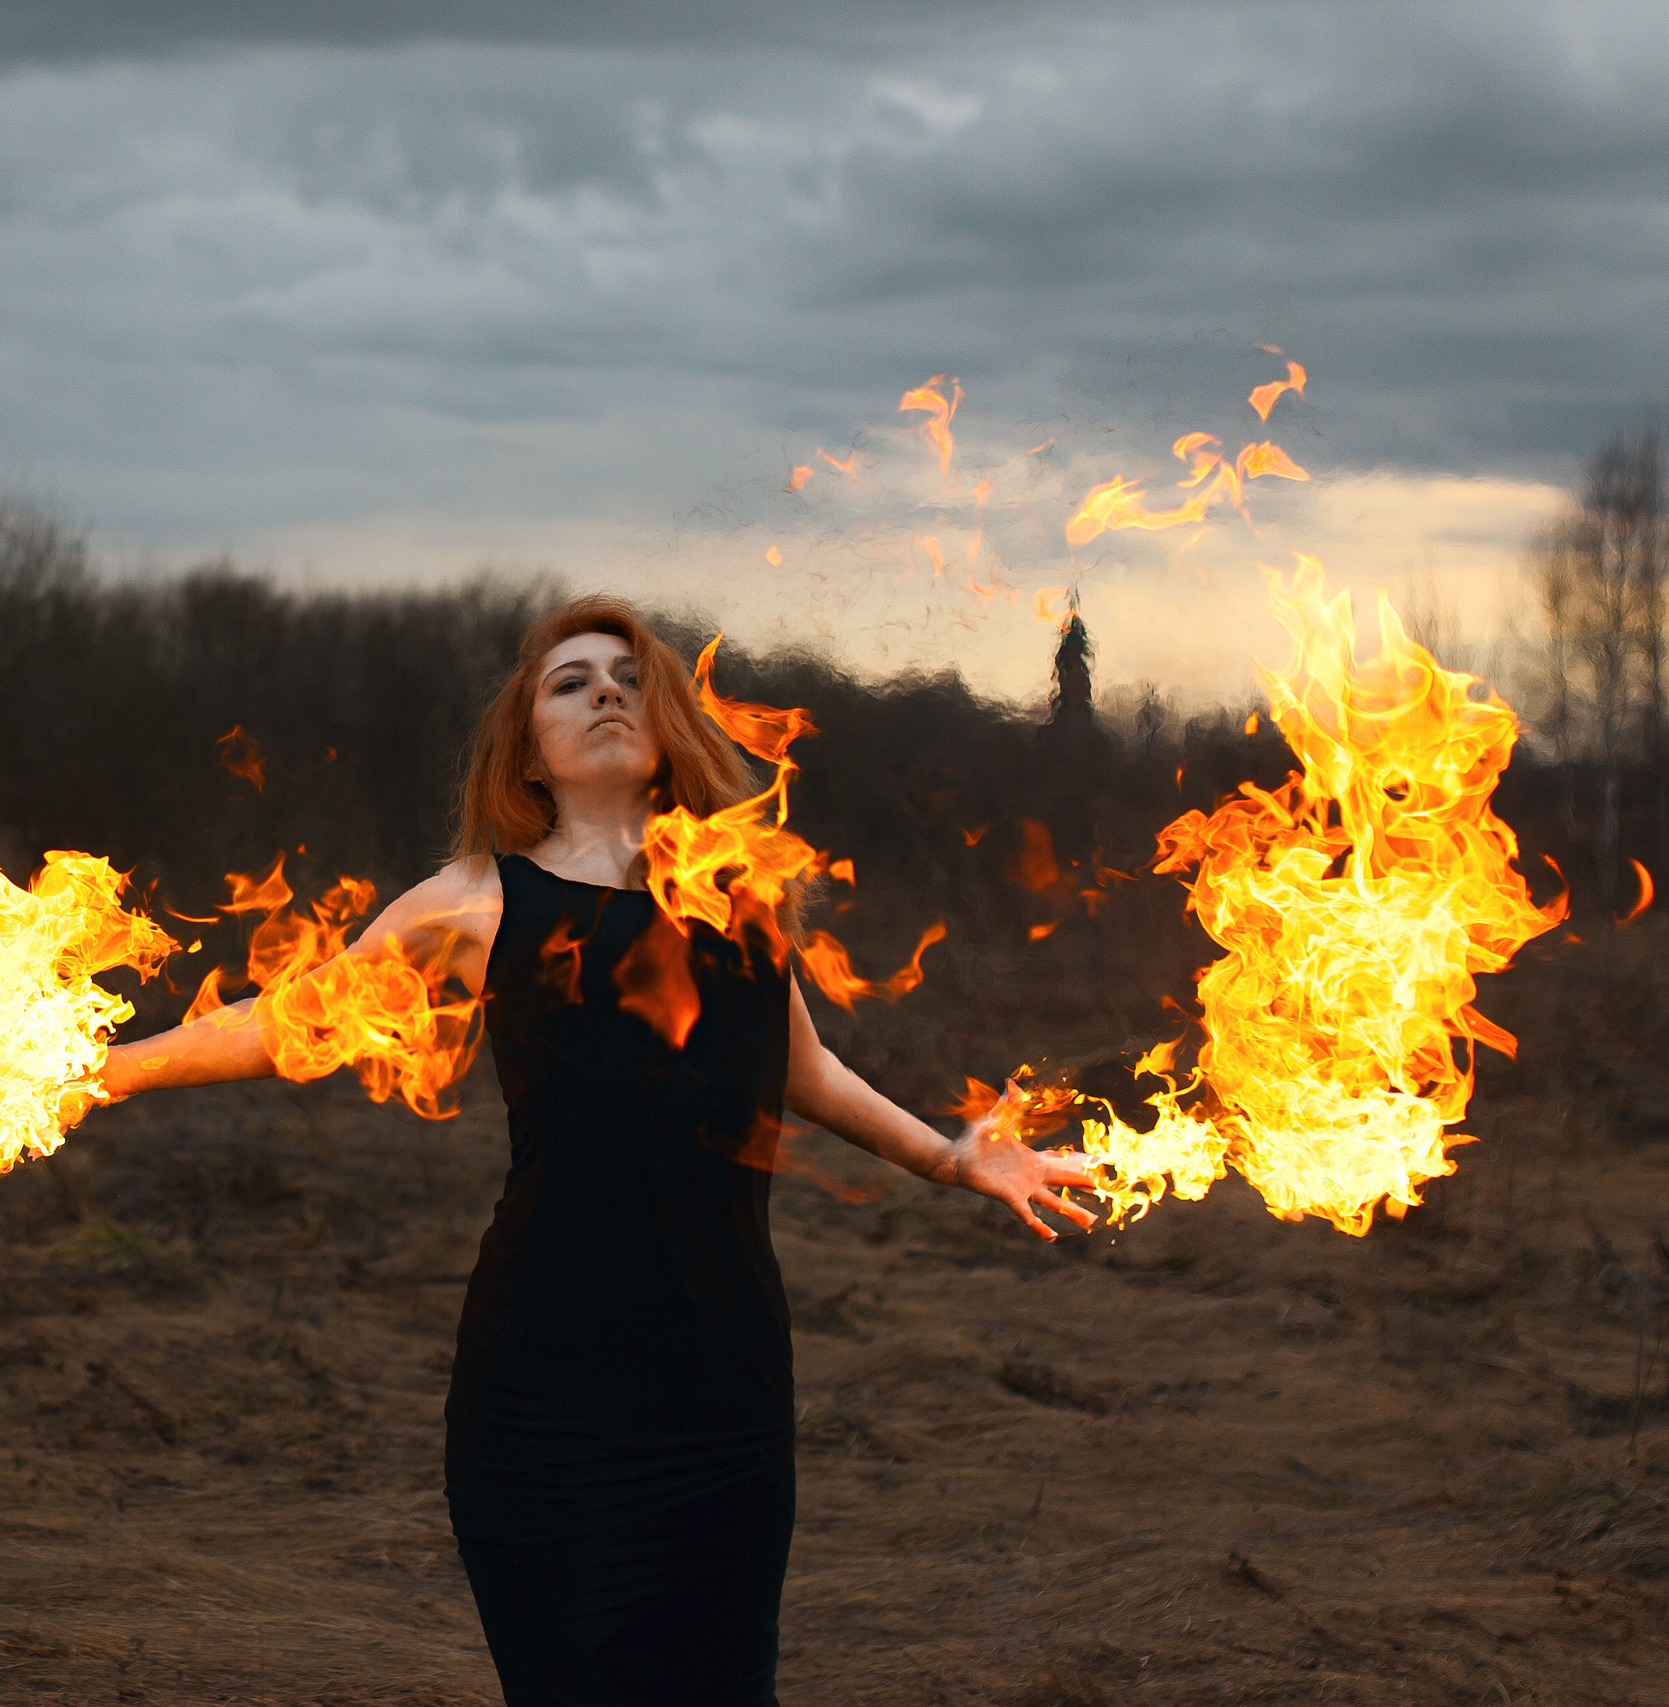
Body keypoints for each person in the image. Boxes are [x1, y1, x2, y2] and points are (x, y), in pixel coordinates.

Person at [88, 594, 1096, 1706]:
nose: (605, 690)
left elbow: (804, 1071)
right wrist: (101, 1068)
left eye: (625, 676)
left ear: (664, 721)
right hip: (546, 1390)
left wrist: (953, 1157)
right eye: (568, 682)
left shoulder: (735, 900)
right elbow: (286, 1024)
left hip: (726, 1386)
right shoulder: (474, 903)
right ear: (528, 750)